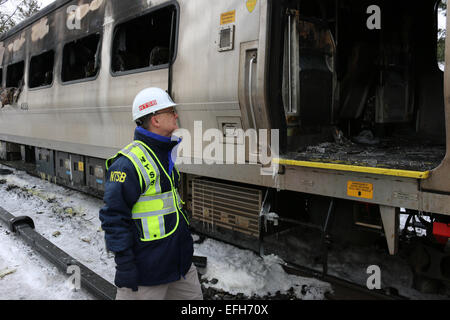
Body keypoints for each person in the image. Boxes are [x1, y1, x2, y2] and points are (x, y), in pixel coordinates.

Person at [99, 87, 203, 300]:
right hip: (146, 272)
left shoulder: (164, 155)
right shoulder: (127, 164)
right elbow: (113, 218)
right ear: (155, 120)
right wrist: (125, 266)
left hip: (180, 266)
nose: (176, 115)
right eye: (170, 111)